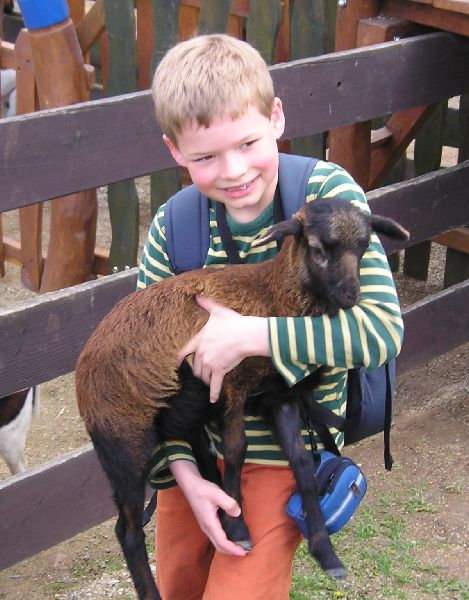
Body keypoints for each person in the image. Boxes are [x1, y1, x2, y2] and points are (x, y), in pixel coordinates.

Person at [137, 33, 404, 599]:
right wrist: (183, 474)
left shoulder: (327, 197)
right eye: (205, 157)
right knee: (179, 584)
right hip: (195, 447)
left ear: (277, 117)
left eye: (248, 143)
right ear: (174, 150)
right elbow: (146, 373)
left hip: (282, 449)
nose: (233, 170)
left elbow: (381, 330)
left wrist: (249, 336)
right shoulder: (174, 229)